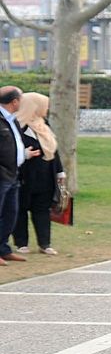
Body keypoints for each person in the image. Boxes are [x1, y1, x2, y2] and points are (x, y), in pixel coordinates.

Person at [12, 93, 64, 256]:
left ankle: (45, 243)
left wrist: (60, 172)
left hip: (45, 176)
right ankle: (21, 243)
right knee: (20, 209)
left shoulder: (44, 124)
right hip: (24, 176)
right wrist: (24, 154)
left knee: (42, 210)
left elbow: (54, 150)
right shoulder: (16, 125)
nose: (46, 109)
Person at [0, 86, 40, 265]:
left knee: (11, 213)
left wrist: (24, 154)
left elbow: (13, 145)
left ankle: (3, 249)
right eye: (20, 99)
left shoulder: (12, 120)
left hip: (13, 174)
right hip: (2, 174)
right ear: (14, 101)